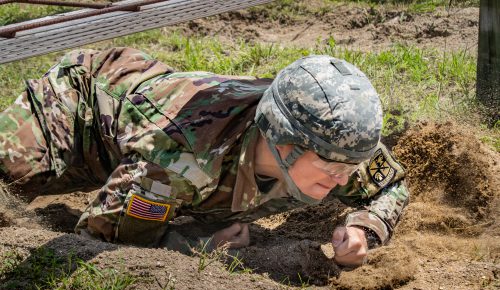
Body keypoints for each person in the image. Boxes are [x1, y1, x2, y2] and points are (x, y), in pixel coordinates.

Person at [0, 47, 409, 267]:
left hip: (152, 108)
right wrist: (195, 243)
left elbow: (387, 184)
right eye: (331, 170)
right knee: (12, 178)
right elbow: (99, 239)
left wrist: (365, 231)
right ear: (284, 145)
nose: (343, 179)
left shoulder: (334, 140)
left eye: (348, 169)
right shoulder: (182, 161)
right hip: (82, 105)